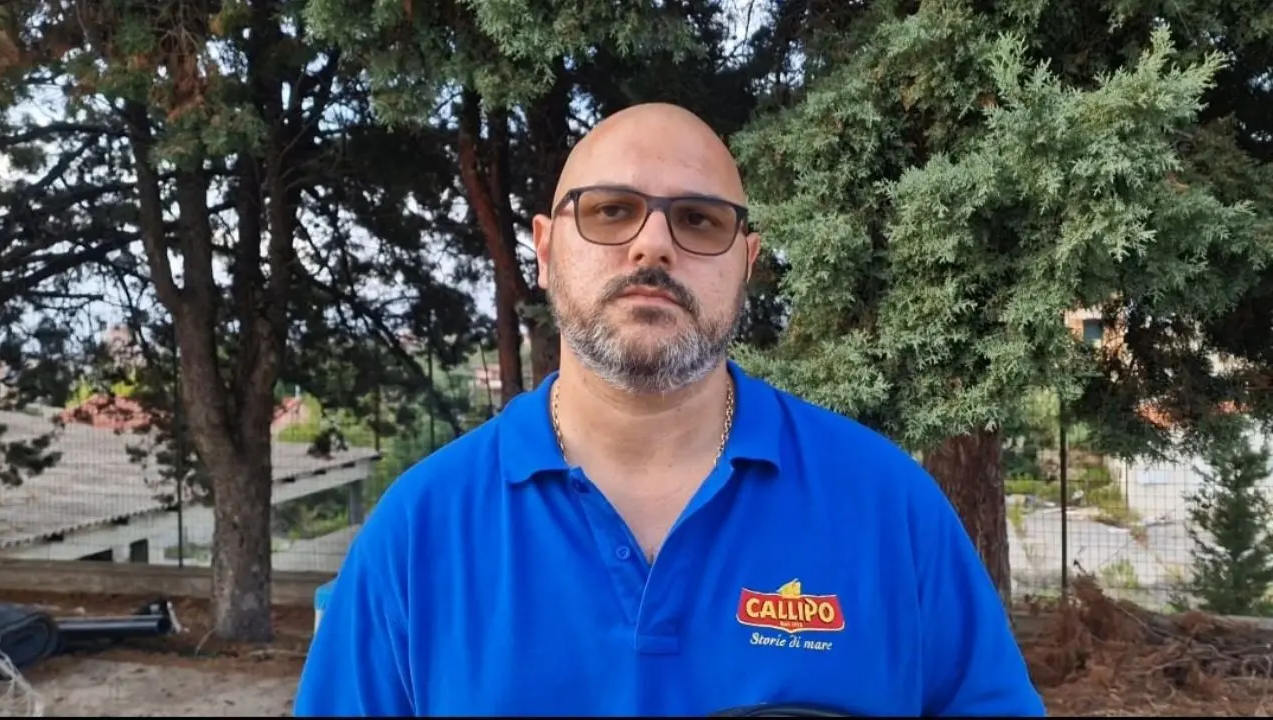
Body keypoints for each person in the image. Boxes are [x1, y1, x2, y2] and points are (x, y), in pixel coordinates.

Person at [293, 102, 1046, 717]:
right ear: (545, 251)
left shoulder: (888, 507)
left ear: (746, 262)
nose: (652, 246)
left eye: (698, 219)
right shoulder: (418, 532)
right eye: (610, 210)